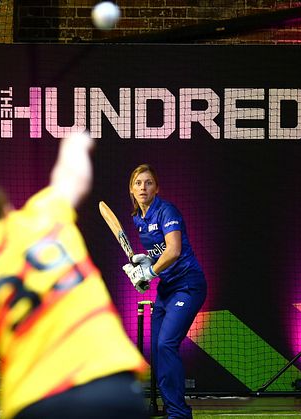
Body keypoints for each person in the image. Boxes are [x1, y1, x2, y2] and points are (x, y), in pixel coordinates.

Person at [0, 132, 148, 419]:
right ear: (4, 208)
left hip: (35, 403)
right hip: (111, 385)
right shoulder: (43, 217)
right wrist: (77, 142)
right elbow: (72, 175)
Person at [122, 164, 208, 419]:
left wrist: (150, 272)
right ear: (131, 189)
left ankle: (179, 414)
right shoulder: (138, 218)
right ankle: (170, 407)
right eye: (138, 183)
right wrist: (147, 262)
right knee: (159, 350)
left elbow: (173, 250)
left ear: (156, 188)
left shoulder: (166, 210)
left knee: (166, 344)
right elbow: (160, 253)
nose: (143, 188)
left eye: (148, 183)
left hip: (188, 285)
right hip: (167, 288)